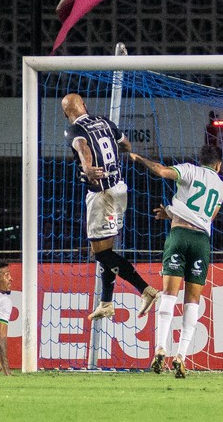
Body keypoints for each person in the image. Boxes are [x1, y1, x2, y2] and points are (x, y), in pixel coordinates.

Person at [130, 145, 223, 379]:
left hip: (179, 235)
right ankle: (181, 355)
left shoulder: (189, 171)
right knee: (192, 300)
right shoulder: (220, 186)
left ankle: (160, 348)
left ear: (199, 160)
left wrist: (139, 158)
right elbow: (208, 218)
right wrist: (174, 212)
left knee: (169, 295)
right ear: (218, 166)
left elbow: (162, 172)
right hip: (201, 241)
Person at [61, 93, 158, 321]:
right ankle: (106, 301)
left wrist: (87, 167)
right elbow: (125, 144)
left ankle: (145, 289)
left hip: (101, 195)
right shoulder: (104, 121)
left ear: (67, 114)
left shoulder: (73, 130)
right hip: (119, 190)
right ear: (84, 106)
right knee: (107, 247)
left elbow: (82, 147)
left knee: (101, 252)